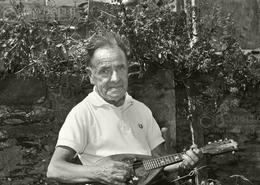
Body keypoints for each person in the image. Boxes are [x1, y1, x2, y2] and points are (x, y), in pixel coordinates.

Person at [47, 31, 202, 185]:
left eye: (120, 68)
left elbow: (160, 163)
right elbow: (55, 169)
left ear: (128, 70)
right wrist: (99, 173)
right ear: (91, 75)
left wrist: (183, 163)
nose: (115, 78)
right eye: (105, 71)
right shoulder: (82, 114)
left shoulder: (142, 110)